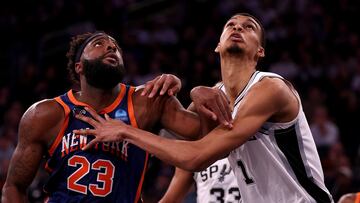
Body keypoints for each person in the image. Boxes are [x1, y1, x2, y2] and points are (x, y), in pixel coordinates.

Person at [74, 13, 334, 203]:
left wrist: (125, 131)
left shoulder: (270, 88)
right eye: (230, 25)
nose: (237, 28)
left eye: (248, 27)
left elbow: (197, 155)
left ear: (260, 51)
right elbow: (185, 151)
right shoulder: (214, 96)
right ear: (218, 45)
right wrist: (184, 90)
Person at [1, 31, 231, 202]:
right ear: (79, 67)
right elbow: (14, 187)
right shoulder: (45, 114)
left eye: (115, 47)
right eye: (99, 44)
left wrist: (198, 93)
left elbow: (208, 142)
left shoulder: (148, 101)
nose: (111, 48)